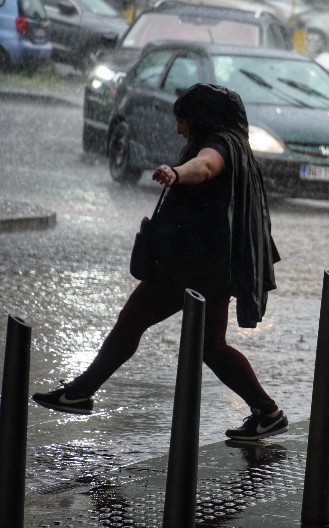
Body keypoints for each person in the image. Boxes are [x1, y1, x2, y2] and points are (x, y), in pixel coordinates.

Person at [33, 83, 286, 441]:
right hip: (211, 266)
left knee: (134, 320)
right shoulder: (235, 143)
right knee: (210, 346)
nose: (179, 128)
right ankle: (267, 411)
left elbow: (205, 167)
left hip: (191, 267)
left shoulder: (219, 146)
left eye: (183, 120)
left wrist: (178, 172)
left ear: (201, 118)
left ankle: (79, 392)